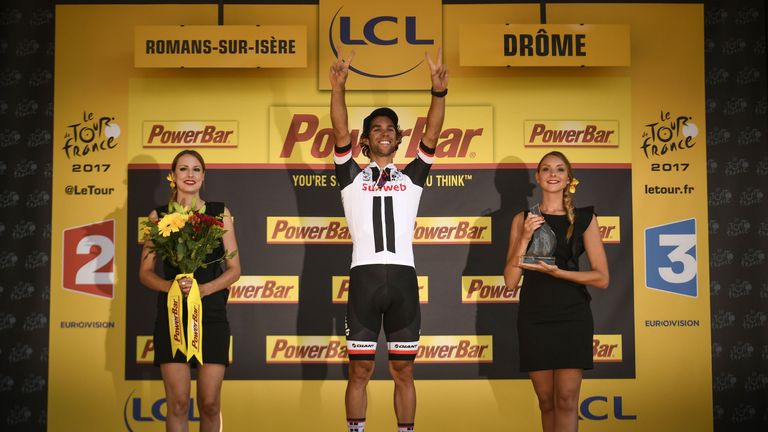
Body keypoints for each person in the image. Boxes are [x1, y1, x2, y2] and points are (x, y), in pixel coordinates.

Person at [329, 48, 448, 432]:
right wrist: (338, 88)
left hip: (402, 282)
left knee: (403, 370)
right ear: (365, 139)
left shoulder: (412, 175)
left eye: (390, 128)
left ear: (398, 138)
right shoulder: (350, 175)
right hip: (364, 280)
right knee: (359, 370)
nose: (384, 133)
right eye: (376, 128)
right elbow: (337, 127)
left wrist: (438, 92)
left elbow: (432, 133)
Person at [503, 151, 609, 432]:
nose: (553, 174)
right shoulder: (523, 219)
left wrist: (559, 273)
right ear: (537, 177)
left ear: (568, 179)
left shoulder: (586, 219)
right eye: (546, 169)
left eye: (560, 169)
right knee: (546, 400)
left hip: (572, 316)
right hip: (534, 316)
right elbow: (510, 281)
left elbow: (602, 277)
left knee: (566, 399)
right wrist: (525, 237)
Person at [139, 149, 241, 432]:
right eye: (183, 169)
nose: (190, 175)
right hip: (172, 316)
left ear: (203, 176)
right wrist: (171, 286)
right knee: (178, 403)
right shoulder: (158, 216)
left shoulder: (220, 213)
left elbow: (235, 270)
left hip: (211, 314)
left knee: (209, 404)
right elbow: (145, 273)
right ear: (172, 177)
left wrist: (204, 289)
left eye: (196, 169)